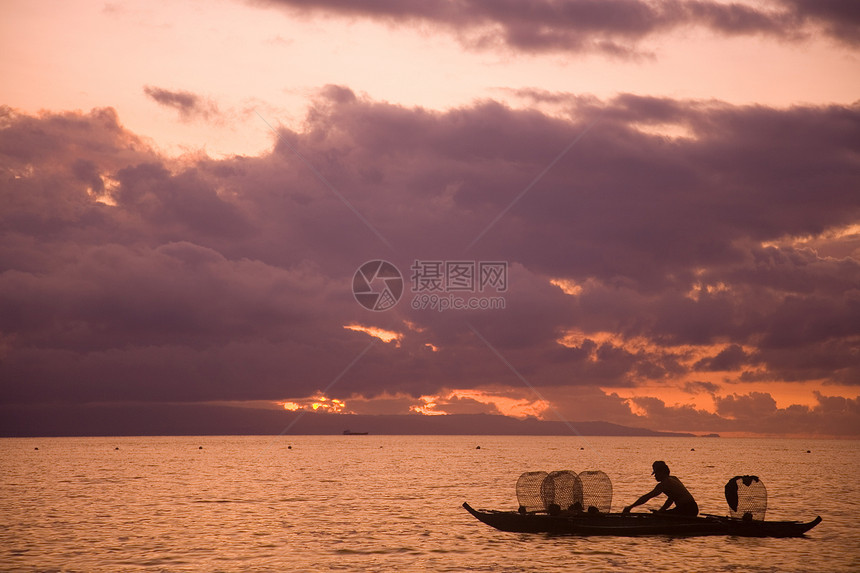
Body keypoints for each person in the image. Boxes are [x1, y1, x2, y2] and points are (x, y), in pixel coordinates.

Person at [622, 461, 699, 516]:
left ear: (662, 472)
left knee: (660, 516)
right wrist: (661, 511)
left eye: (656, 473)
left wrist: (630, 507)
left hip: (687, 509)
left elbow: (647, 497)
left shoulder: (664, 484)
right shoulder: (674, 478)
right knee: (662, 514)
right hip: (692, 508)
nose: (655, 476)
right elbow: (671, 499)